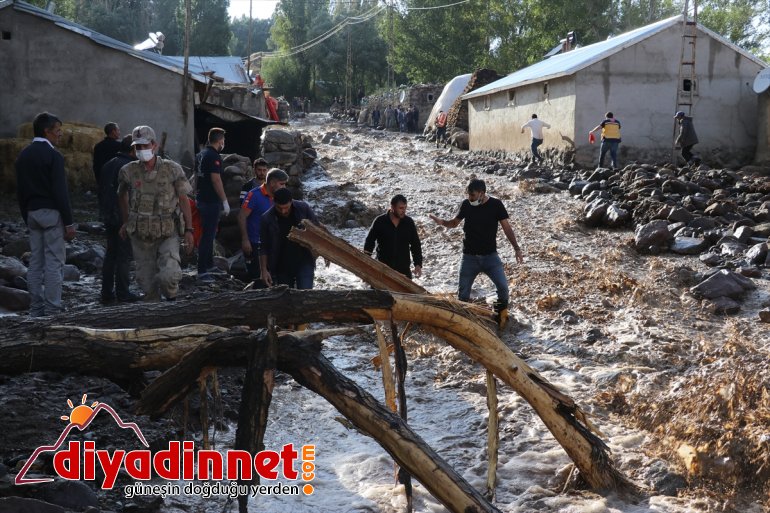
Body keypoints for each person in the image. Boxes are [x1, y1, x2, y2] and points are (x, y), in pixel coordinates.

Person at [428, 178, 524, 328]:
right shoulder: (466, 205)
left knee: (503, 288)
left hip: (490, 257)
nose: (470, 198)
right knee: (463, 295)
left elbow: (507, 228)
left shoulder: (496, 205)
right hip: (469, 258)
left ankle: (500, 318)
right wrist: (442, 222)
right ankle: (463, 324)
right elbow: (454, 223)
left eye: (472, 195)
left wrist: (516, 248)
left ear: (482, 193)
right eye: (468, 195)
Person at [117, 125, 194, 302]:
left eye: (145, 145)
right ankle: (155, 315)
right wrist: (126, 221)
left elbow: (184, 199)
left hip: (168, 232)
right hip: (141, 235)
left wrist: (189, 230)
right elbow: (121, 195)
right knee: (147, 285)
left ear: (154, 145)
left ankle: (172, 302)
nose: (141, 150)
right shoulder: (128, 171)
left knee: (169, 277)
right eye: (138, 146)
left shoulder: (172, 169)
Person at [15, 112, 76, 317]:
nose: (60, 134)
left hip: (31, 212)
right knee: (54, 264)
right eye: (58, 130)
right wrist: (69, 222)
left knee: (35, 263)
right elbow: (60, 192)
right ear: (47, 131)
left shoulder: (23, 155)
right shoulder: (53, 155)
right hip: (51, 213)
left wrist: (26, 215)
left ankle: (35, 309)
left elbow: (20, 190)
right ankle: (52, 309)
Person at [98, 135, 140, 303]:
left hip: (108, 214)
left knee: (111, 254)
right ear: (133, 149)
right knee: (123, 255)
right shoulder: (129, 167)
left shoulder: (108, 164)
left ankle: (106, 292)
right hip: (123, 215)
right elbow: (128, 195)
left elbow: (101, 189)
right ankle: (123, 292)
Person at [260, 188, 320, 290]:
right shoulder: (266, 218)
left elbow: (316, 229)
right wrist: (263, 270)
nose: (283, 211)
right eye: (279, 208)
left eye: (286, 207)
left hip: (304, 260)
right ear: (274, 202)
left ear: (291, 202)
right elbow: (263, 246)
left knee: (306, 293)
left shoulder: (303, 208)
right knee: (286, 296)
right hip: (281, 264)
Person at [239, 168, 289, 284]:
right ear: (272, 183)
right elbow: (241, 217)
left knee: (275, 278)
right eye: (282, 184)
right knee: (258, 278)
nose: (284, 187)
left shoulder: (280, 197)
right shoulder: (254, 195)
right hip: (255, 243)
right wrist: (245, 240)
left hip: (274, 244)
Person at [195, 127, 230, 283]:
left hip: (202, 198)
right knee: (208, 236)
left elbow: (196, 177)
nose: (223, 143)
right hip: (210, 201)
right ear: (220, 140)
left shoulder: (201, 154)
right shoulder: (213, 156)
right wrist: (224, 200)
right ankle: (202, 271)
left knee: (209, 235)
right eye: (223, 140)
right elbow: (216, 180)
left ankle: (209, 265)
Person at [364, 194, 423, 279]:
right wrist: (366, 261)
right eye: (401, 208)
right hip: (382, 270)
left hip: (403, 271)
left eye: (405, 208)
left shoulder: (409, 222)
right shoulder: (380, 221)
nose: (404, 211)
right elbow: (369, 242)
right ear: (392, 207)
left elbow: (415, 244)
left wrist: (418, 264)